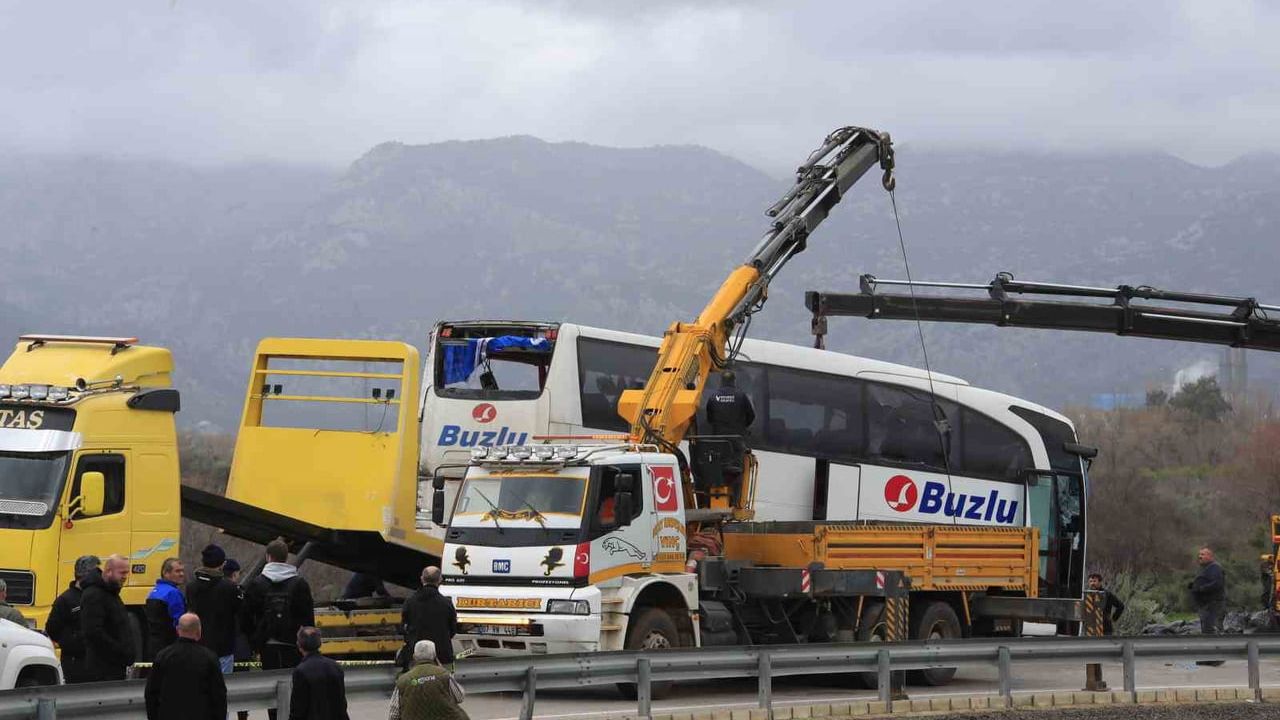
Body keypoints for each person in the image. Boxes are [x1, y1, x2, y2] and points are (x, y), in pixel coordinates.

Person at [243, 539, 315, 720]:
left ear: (268, 557)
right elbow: (308, 619)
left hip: (267, 645)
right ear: (286, 557)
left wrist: (255, 642)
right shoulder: (300, 583)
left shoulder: (257, 583)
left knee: (272, 691)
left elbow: (246, 617)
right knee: (295, 689)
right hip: (294, 645)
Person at [145, 613, 227, 720]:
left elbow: (151, 693)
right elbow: (219, 696)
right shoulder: (209, 658)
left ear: (178, 630)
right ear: (199, 632)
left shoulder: (163, 657)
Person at [186, 543, 243, 675]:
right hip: (223, 647)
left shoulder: (191, 587)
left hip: (198, 646)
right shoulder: (230, 588)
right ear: (222, 564)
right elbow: (240, 612)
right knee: (222, 684)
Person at [80, 554, 135, 681]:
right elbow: (93, 632)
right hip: (103, 670)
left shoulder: (111, 593)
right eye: (122, 573)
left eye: (126, 573)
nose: (125, 577)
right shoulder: (94, 595)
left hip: (114, 667)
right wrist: (120, 651)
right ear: (109, 571)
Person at [46, 555, 100, 683]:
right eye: (97, 573)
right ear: (86, 574)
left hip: (97, 661)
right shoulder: (65, 600)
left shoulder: (98, 596)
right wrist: (74, 640)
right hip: (75, 662)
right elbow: (52, 629)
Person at [389, 640, 468, 720]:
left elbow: (394, 714)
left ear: (414, 656)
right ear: (434, 656)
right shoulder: (443, 674)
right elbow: (459, 697)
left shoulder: (403, 680)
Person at [399, 567, 457, 672]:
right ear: (440, 580)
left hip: (416, 656)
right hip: (442, 655)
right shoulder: (446, 603)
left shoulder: (410, 602)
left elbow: (403, 628)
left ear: (422, 579)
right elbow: (453, 630)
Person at [288, 626, 349, 720]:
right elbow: (342, 704)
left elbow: (298, 709)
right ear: (319, 643)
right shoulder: (335, 667)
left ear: (299, 645)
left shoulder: (301, 671)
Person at [224, 559, 252, 720]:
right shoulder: (240, 594)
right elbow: (248, 620)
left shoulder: (215, 592)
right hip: (240, 645)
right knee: (242, 688)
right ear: (235, 574)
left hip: (221, 646)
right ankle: (242, 716)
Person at [144, 557, 186, 659]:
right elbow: (179, 621)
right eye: (177, 571)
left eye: (182, 571)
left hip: (153, 645)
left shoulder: (154, 591)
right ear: (166, 573)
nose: (182, 574)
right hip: (169, 646)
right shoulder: (173, 593)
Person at [705, 370, 756, 437]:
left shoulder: (713, 397)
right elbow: (751, 415)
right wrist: (742, 426)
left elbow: (709, 418)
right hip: (737, 437)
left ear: (721, 381)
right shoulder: (741, 396)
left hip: (719, 438)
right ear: (734, 381)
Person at [1190, 546, 1227, 634]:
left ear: (1210, 556)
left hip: (1214, 606)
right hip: (1206, 606)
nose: (1200, 556)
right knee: (1206, 630)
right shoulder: (1205, 568)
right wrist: (1193, 586)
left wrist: (1201, 588)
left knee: (1213, 630)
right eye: (1199, 554)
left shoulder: (1215, 567)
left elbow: (1217, 584)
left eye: (1203, 554)